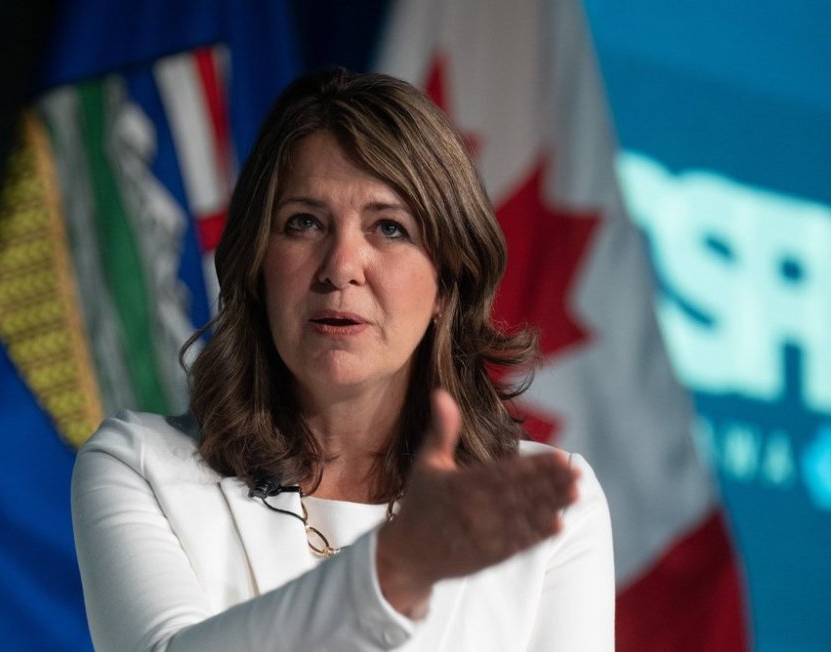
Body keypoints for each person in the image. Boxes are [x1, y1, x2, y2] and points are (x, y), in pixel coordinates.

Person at [71, 68, 614, 651]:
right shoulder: (139, 465)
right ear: (256, 267)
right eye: (304, 223)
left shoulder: (552, 505)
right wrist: (391, 573)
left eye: (390, 228)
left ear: (447, 285)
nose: (340, 267)